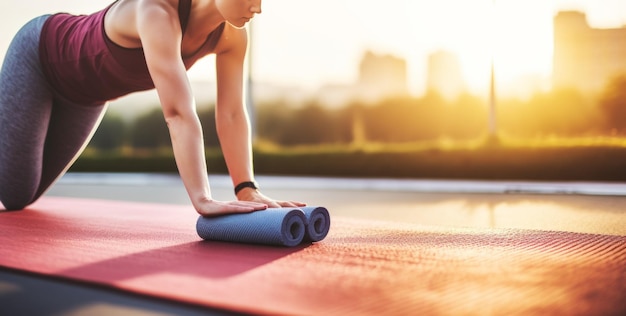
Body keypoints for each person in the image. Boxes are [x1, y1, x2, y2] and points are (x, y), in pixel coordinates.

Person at [0, 0, 305, 215]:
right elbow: (178, 113)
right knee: (12, 189)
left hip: (86, 98)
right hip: (37, 59)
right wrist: (202, 198)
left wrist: (246, 188)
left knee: (19, 196)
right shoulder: (156, 10)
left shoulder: (233, 37)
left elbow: (232, 113)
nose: (258, 7)